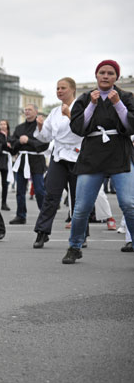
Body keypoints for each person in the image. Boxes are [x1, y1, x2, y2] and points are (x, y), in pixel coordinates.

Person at [62, 60, 134, 264]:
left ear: (116, 77)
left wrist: (118, 104)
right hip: (92, 153)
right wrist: (92, 106)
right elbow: (77, 126)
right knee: (82, 206)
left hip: (119, 151)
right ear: (96, 75)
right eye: (102, 72)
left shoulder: (126, 97)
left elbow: (131, 124)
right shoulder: (86, 98)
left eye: (110, 73)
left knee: (129, 203)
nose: (105, 76)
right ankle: (75, 246)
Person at [32, 78, 83, 248]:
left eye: (63, 88)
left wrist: (70, 115)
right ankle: (42, 232)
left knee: (78, 198)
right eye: (57, 88)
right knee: (51, 195)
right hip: (59, 156)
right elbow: (45, 136)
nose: (59, 91)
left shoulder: (81, 108)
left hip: (78, 156)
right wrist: (40, 127)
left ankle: (81, 234)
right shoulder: (54, 112)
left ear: (73, 90)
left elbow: (84, 129)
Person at [9, 104, 49, 224]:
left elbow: (44, 144)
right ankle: (21, 215)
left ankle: (44, 215)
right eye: (25, 110)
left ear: (36, 112)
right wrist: (19, 142)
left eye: (29, 110)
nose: (27, 112)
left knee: (39, 190)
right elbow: (12, 143)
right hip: (22, 160)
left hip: (36, 161)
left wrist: (29, 141)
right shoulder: (19, 128)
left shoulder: (41, 127)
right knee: (20, 190)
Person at [0, 119, 12, 210]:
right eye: (1, 124)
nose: (2, 126)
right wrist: (5, 144)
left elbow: (12, 147)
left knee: (5, 184)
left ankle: (4, 203)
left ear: (7, 126)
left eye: (4, 124)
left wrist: (10, 146)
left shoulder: (9, 136)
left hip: (6, 160)